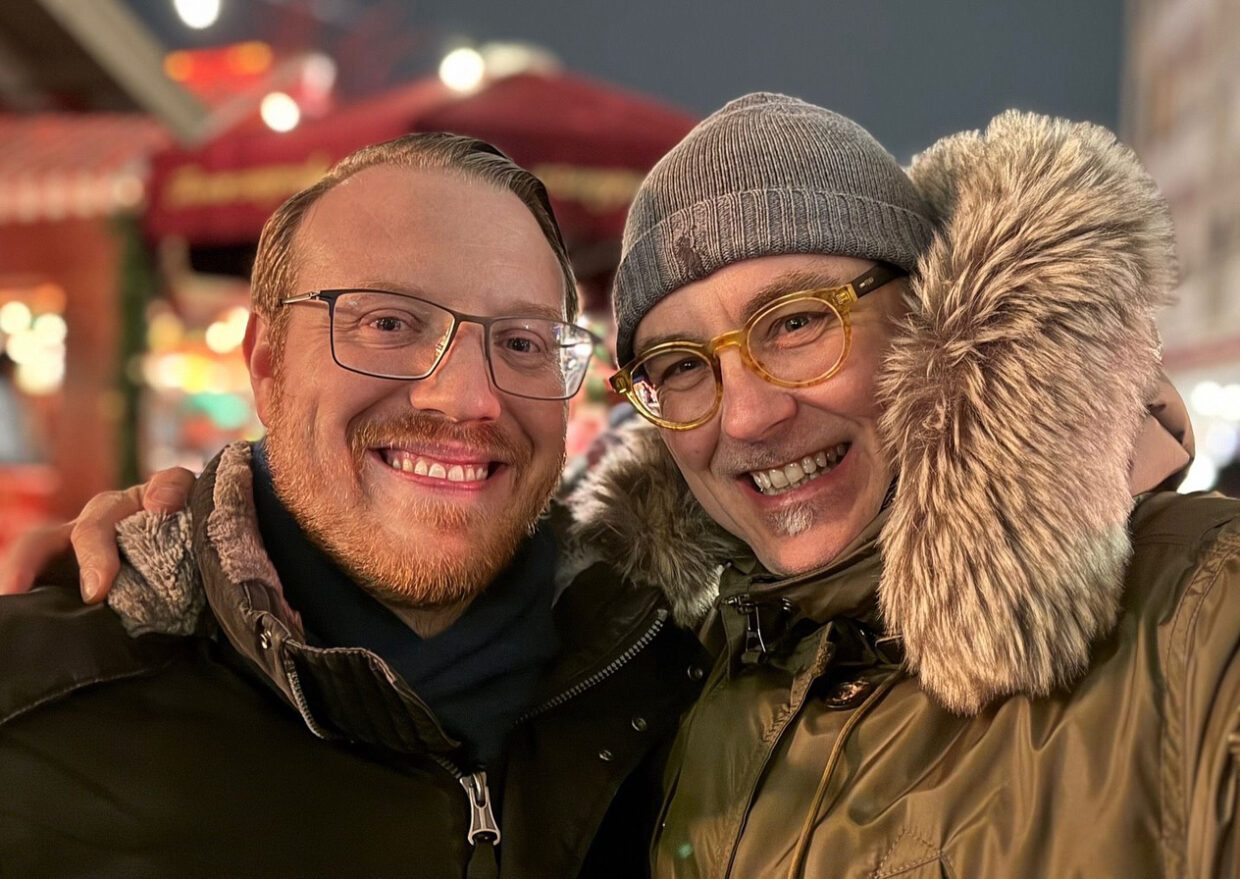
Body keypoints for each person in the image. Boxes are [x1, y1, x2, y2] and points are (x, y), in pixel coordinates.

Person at [8, 95, 1239, 878]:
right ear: (266, 365)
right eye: (385, 322)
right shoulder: (683, 668)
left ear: (936, 321)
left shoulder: (1198, 615)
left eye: (797, 322)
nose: (747, 413)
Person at [0, 132, 707, 878]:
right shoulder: (36, 722)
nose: (467, 398)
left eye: (524, 342)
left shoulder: (685, 677)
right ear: (268, 364)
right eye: (389, 324)